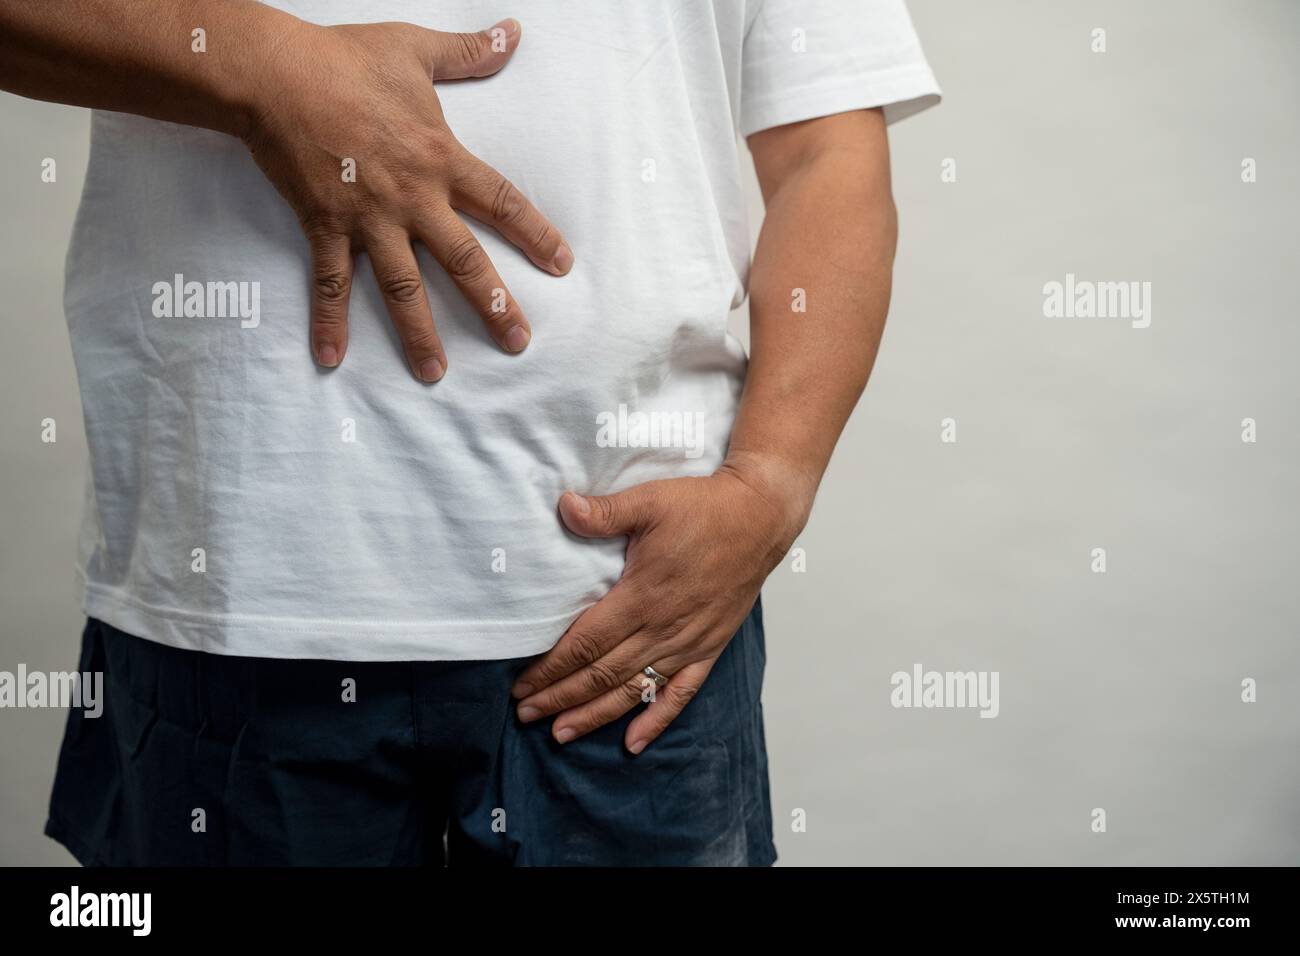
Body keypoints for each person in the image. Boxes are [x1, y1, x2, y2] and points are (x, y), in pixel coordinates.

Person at [1, 0, 939, 865]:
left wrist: (770, 483)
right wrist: (265, 70)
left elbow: (829, 150)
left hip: (636, 615)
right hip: (240, 589)